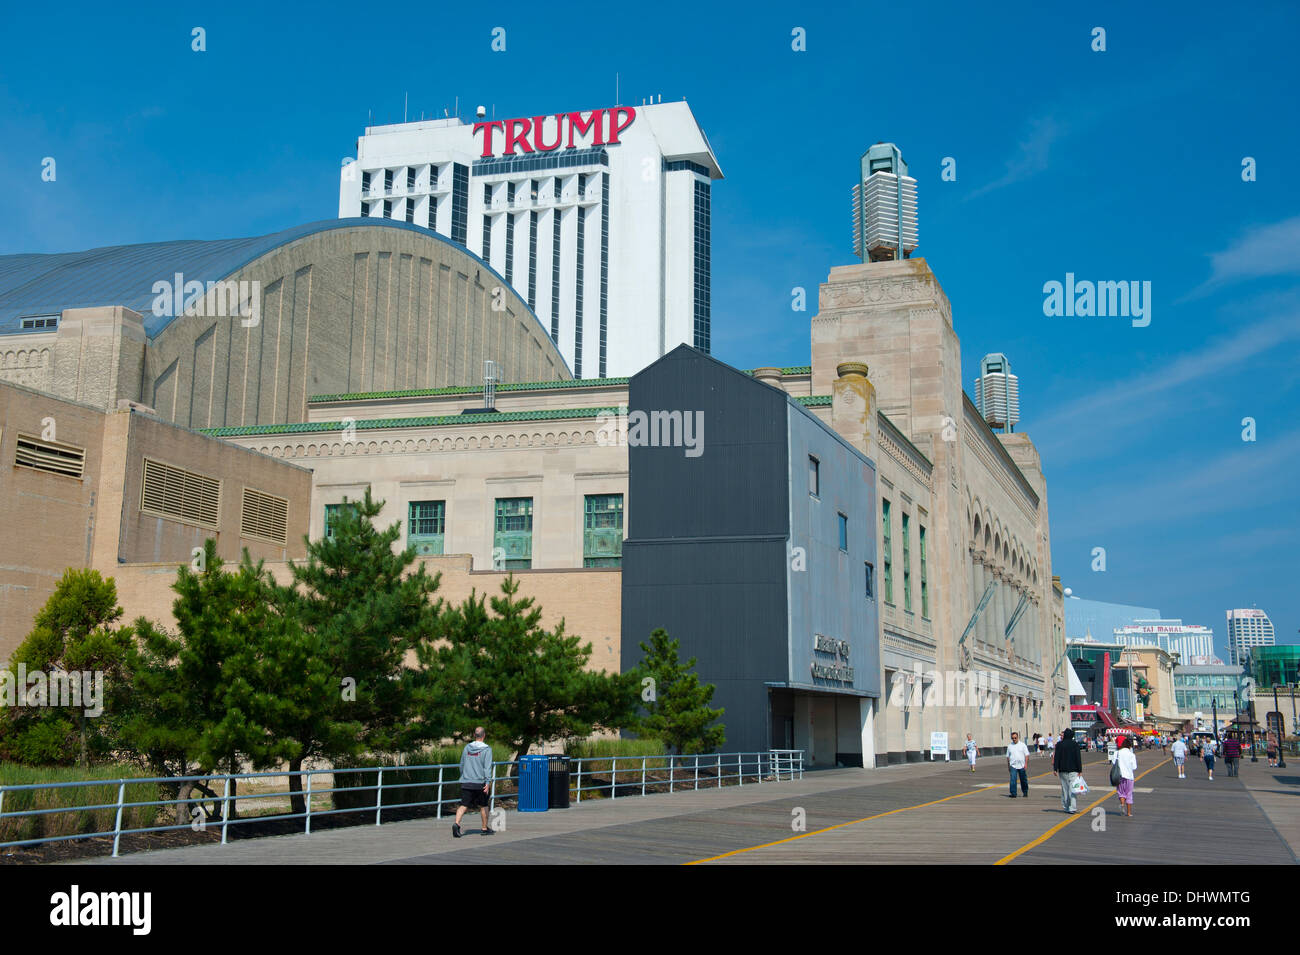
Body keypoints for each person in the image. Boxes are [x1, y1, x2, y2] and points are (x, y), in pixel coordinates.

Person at [452, 726, 495, 838]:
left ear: (474, 736)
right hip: (479, 782)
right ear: (484, 735)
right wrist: (488, 782)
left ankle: (456, 824)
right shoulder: (487, 749)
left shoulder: (467, 748)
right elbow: (487, 767)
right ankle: (484, 828)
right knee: (483, 805)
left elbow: (462, 764)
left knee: (463, 805)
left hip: (467, 781)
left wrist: (463, 776)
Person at [1053, 728, 1083, 813]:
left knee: (1065, 789)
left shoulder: (1059, 744)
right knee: (1072, 789)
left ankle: (1066, 807)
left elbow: (1057, 757)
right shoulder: (1075, 744)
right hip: (1074, 770)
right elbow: (1078, 758)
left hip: (1062, 770)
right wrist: (1080, 770)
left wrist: (1055, 768)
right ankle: (1072, 808)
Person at [1115, 735, 1138, 817]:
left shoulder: (1117, 753)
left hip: (1119, 776)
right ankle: (1128, 813)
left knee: (1121, 793)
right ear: (1129, 746)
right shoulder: (1131, 755)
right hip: (1129, 777)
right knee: (1129, 794)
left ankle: (1122, 805)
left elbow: (1114, 763)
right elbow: (1134, 767)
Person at [1007, 731, 1030, 798]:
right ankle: (1013, 793)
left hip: (1021, 765)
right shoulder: (1009, 746)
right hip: (1013, 765)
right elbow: (1008, 757)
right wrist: (1008, 766)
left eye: (1015, 738)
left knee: (1023, 779)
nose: (1014, 739)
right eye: (1012, 738)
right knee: (1013, 779)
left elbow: (1027, 755)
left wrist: (1026, 764)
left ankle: (1025, 791)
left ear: (1018, 737)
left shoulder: (1023, 745)